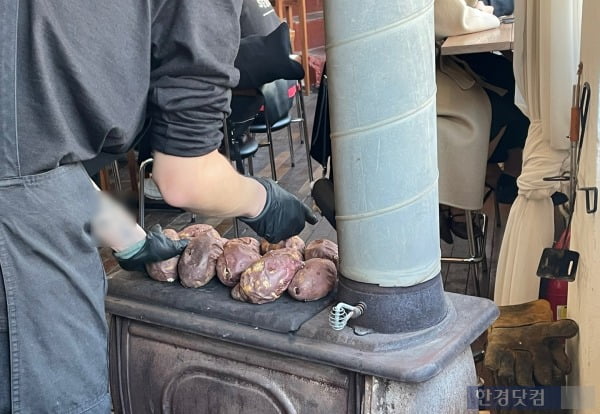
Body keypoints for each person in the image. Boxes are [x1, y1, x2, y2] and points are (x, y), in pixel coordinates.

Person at [0, 2, 317, 413]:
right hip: (20, 249)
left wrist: (124, 235)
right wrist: (263, 200)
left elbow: (29, 144)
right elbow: (184, 179)